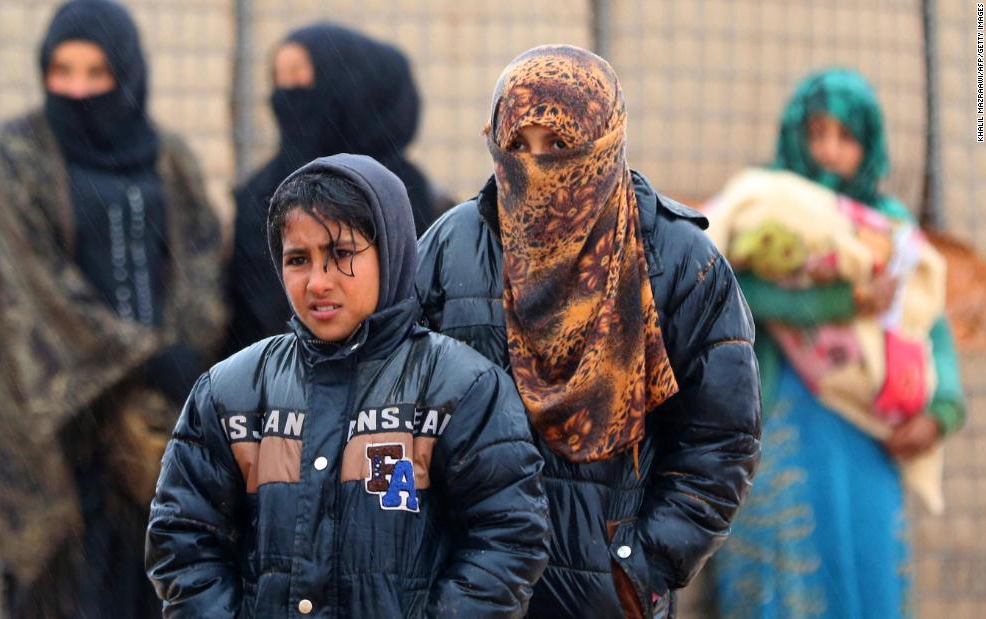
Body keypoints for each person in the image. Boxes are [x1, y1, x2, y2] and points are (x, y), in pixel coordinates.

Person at [414, 45, 762, 618]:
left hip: (606, 596)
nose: (535, 165)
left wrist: (641, 564)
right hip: (469, 591)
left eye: (559, 145)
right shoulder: (453, 248)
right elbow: (403, 410)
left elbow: (721, 438)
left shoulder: (677, 258)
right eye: (517, 145)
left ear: (602, 141)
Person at [146, 154, 549, 617]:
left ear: (391, 251)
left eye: (341, 255)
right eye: (299, 259)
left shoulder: (463, 390)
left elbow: (507, 538)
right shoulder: (229, 395)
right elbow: (183, 539)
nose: (318, 282)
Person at [0, 1, 225, 616]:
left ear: (127, 74)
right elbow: (28, 282)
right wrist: (144, 355)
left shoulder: (169, 157)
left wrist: (183, 352)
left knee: (157, 584)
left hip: (157, 424)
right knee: (67, 592)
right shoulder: (16, 155)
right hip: (56, 424)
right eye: (62, 71)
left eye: (96, 73)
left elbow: (202, 255)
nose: (77, 90)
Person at [708, 68, 967, 619]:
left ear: (868, 146)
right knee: (785, 565)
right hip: (778, 417)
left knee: (864, 567)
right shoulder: (764, 205)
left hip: (869, 434)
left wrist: (941, 412)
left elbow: (930, 323)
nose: (828, 150)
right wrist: (840, 302)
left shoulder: (891, 229)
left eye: (845, 137)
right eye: (816, 133)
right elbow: (731, 291)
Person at [227, 22, 441, 353]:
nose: (287, 92)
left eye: (299, 75)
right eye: (279, 78)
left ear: (346, 85)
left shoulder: (400, 192)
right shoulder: (260, 192)